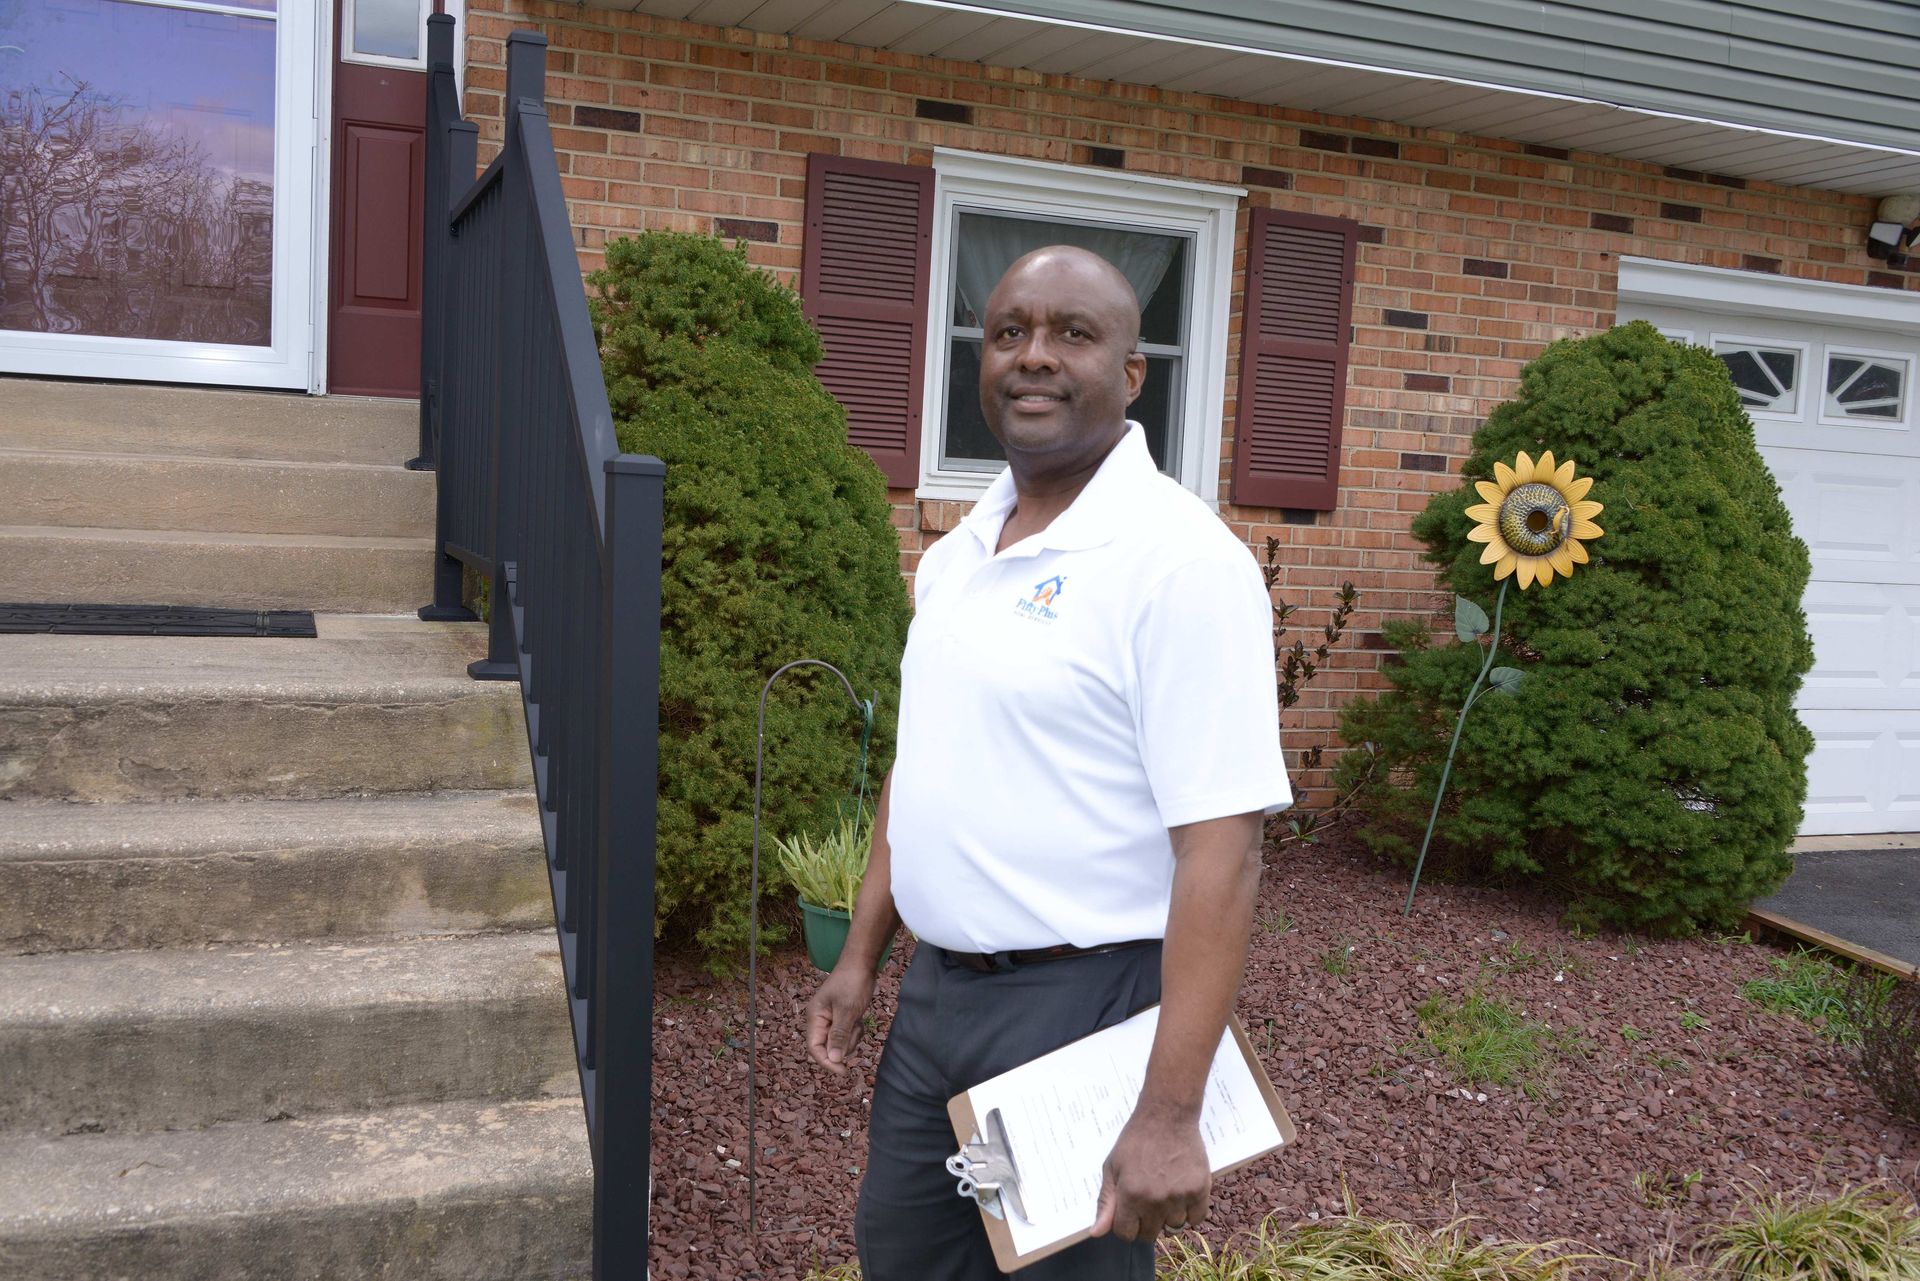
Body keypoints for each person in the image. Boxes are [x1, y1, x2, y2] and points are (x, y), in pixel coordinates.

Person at [804, 244, 1290, 1279]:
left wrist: (1170, 1111)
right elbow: (922, 766)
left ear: (1131, 373)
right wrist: (861, 958)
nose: (1034, 356)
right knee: (900, 1256)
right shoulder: (957, 554)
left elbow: (1225, 855)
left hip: (1085, 1014)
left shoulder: (1181, 564)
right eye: (1011, 330)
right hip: (936, 1005)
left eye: (1073, 334)